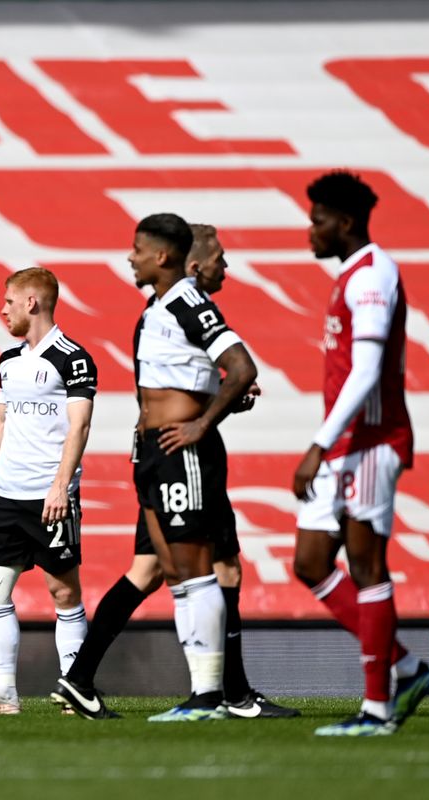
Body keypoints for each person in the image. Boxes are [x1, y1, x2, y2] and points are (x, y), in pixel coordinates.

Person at [51, 225, 298, 720]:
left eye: (137, 250)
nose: (129, 258)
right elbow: (187, 377)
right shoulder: (161, 306)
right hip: (157, 454)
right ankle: (219, 693)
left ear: (164, 255)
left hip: (180, 453)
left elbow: (241, 366)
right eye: (221, 258)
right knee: (177, 570)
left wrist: (203, 421)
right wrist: (207, 409)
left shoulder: (186, 302)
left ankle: (215, 695)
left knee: (197, 569)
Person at [292, 171, 429, 737]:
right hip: (346, 444)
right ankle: (405, 668)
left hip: (373, 441)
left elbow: (368, 370)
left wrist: (317, 443)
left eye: (318, 220)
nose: (311, 231)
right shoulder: (351, 275)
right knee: (310, 561)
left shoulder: (373, 274)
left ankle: (378, 709)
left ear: (345, 223)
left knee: (366, 566)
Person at [0, 266, 97, 716]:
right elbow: (1, 419)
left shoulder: (72, 357)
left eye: (8, 302)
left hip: (50, 497)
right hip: (8, 497)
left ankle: (76, 692)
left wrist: (60, 486)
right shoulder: (8, 360)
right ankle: (3, 693)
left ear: (31, 302)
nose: (3, 310)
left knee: (64, 593)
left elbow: (81, 424)